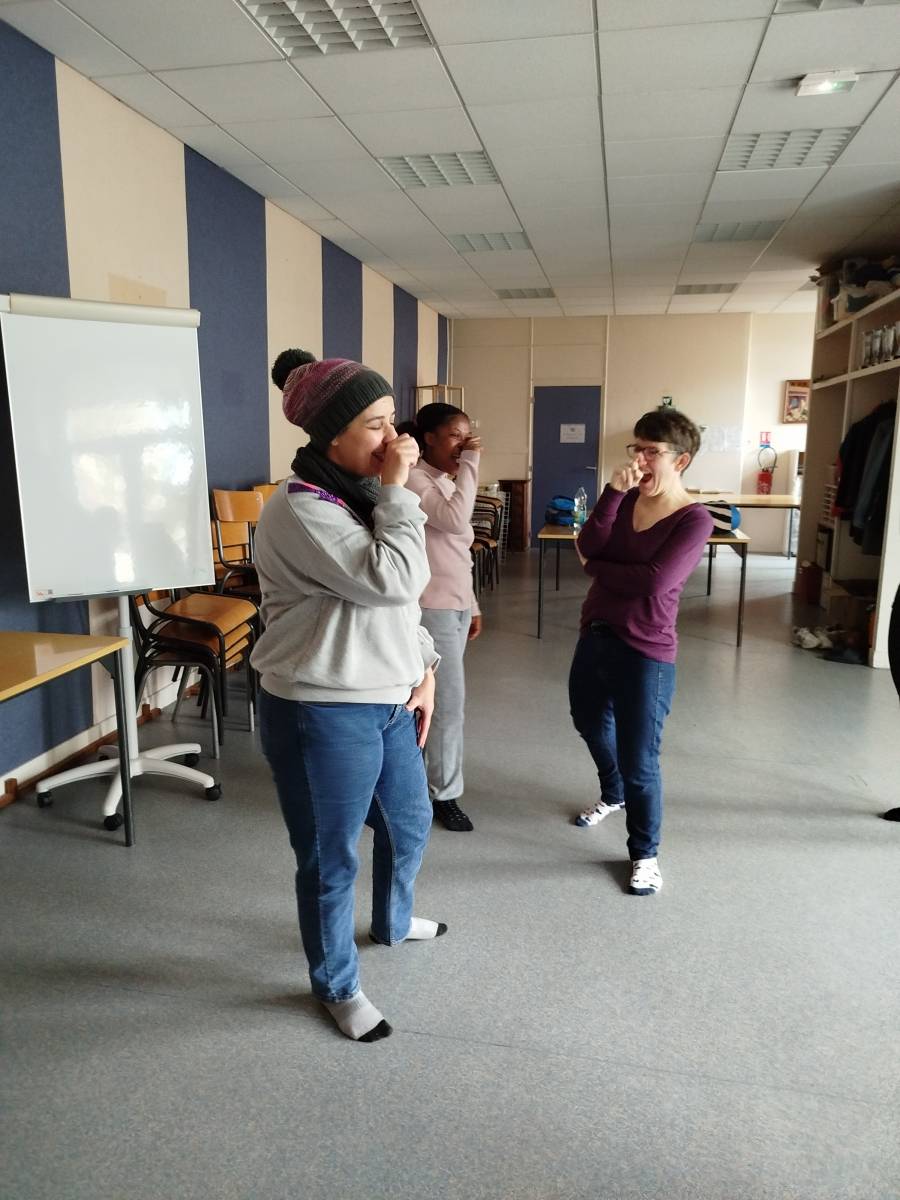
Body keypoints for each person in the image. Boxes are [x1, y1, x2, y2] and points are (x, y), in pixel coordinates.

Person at [251, 354, 445, 1043]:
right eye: (376, 425)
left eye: (395, 421)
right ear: (330, 436)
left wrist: (425, 665)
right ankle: (336, 985)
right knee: (330, 858)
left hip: (389, 698)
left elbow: (402, 609)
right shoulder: (302, 508)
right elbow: (394, 580)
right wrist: (398, 490)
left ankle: (392, 922)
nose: (397, 440)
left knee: (409, 822)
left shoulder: (361, 494)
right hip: (321, 709)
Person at [569, 407, 713, 895]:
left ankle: (645, 854)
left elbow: (655, 582)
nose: (640, 459)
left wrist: (594, 567)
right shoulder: (626, 497)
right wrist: (612, 494)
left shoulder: (694, 520)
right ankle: (613, 793)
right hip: (596, 632)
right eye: (637, 448)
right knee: (588, 721)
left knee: (641, 761)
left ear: (681, 460)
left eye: (653, 451)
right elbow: (589, 541)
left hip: (647, 650)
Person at [398, 404, 482, 832]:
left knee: (438, 703)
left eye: (468, 436)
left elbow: (458, 551)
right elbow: (454, 520)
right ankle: (444, 795)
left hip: (456, 606)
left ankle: (427, 782)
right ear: (428, 438)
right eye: (455, 435)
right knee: (447, 706)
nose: (464, 444)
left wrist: (474, 605)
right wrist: (472, 462)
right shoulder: (415, 479)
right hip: (432, 608)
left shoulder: (445, 481)